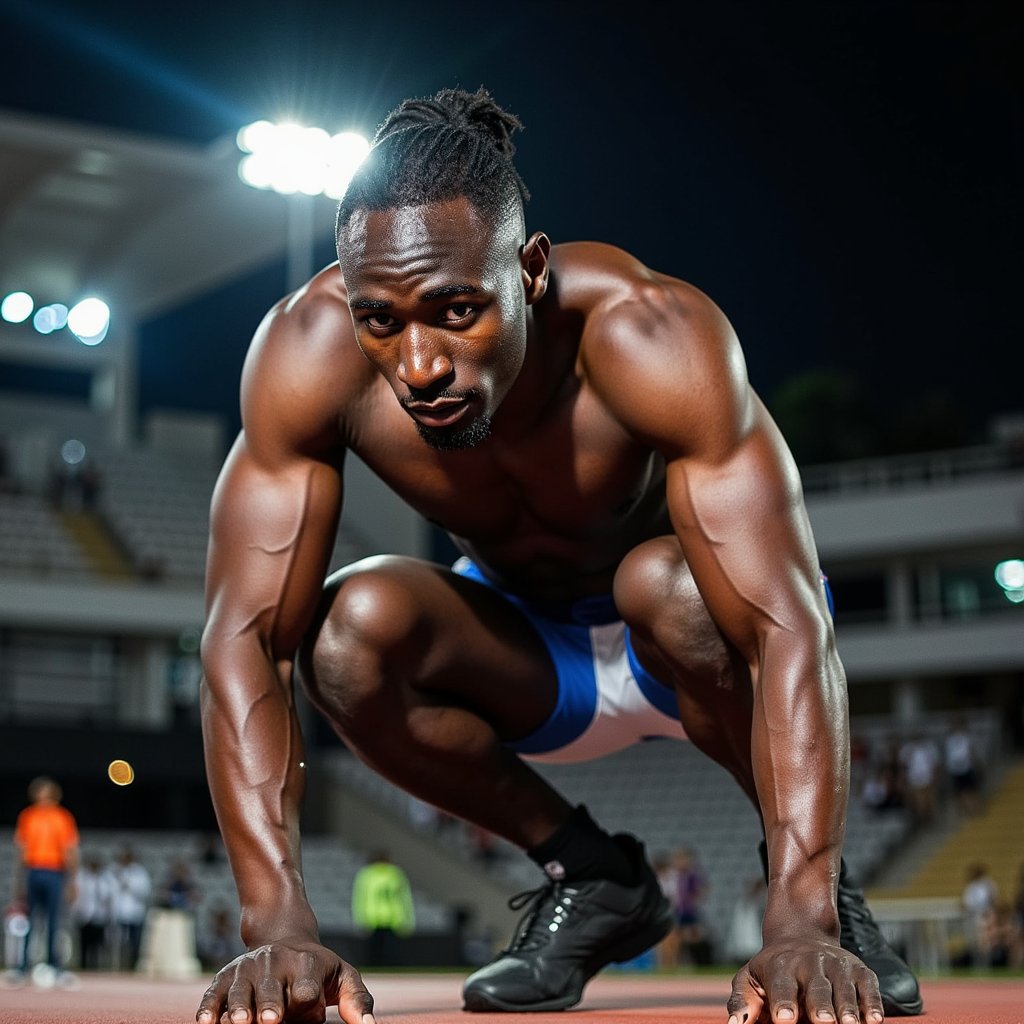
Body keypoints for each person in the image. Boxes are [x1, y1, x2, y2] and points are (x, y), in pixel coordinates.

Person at [196, 87, 923, 1024]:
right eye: (381, 319)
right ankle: (595, 879)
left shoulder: (654, 335)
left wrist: (801, 916)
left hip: (691, 641)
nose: (418, 365)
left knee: (662, 585)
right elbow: (243, 638)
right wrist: (278, 924)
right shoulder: (307, 355)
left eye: (456, 309)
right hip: (530, 660)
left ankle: (826, 898)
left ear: (530, 270)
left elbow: (787, 625)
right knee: (345, 633)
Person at [9, 776, 79, 985]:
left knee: (53, 921)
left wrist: (72, 880)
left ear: (54, 795)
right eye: (39, 793)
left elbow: (69, 850)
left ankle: (55, 966)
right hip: (34, 869)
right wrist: (18, 881)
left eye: (46, 793)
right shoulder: (28, 816)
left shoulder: (62, 817)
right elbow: (21, 850)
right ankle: (22, 968)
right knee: (29, 921)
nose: (42, 798)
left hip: (54, 871)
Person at [350, 851, 415, 967]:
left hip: (379, 917)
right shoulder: (394, 873)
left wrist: (360, 917)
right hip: (387, 917)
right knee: (383, 951)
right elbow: (405, 897)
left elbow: (360, 897)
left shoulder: (368, 874)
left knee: (382, 951)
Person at [109, 845, 151, 970]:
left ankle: (132, 966)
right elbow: (109, 890)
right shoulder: (114, 870)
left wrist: (128, 884)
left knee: (134, 943)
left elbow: (145, 892)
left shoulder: (140, 872)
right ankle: (118, 967)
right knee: (119, 943)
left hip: (134, 913)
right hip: (119, 913)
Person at [72, 854, 114, 970]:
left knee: (98, 945)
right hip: (85, 916)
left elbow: (109, 896)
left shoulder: (105, 878)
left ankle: (97, 967)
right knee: (84, 945)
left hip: (99, 917)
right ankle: (83, 966)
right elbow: (77, 896)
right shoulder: (82, 877)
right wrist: (77, 911)